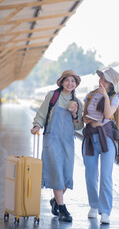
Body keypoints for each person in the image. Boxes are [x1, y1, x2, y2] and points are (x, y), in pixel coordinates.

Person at [31, 70, 84, 222]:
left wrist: (75, 115)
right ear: (61, 82)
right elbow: (42, 113)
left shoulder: (78, 103)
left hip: (67, 141)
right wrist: (36, 125)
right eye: (67, 80)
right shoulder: (53, 96)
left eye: (73, 81)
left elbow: (79, 126)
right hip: (52, 139)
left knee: (67, 175)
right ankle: (62, 209)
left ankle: (56, 200)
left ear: (76, 84)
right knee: (57, 173)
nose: (70, 83)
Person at [82, 67, 119, 224]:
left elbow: (107, 115)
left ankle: (105, 211)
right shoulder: (90, 95)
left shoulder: (115, 98)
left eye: (104, 80)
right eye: (101, 78)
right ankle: (93, 205)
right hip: (91, 138)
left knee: (105, 176)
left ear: (111, 83)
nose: (101, 81)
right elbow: (85, 117)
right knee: (90, 176)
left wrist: (104, 95)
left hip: (107, 140)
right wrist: (91, 120)